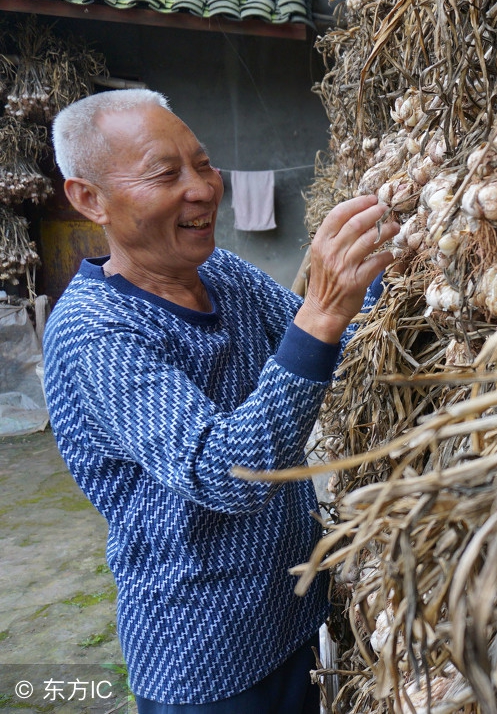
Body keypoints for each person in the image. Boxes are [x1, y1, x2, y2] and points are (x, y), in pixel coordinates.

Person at [42, 89, 396, 712]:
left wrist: (388, 268)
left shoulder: (220, 273)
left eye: (202, 165)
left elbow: (319, 351)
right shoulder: (93, 332)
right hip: (204, 655)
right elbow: (226, 470)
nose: (202, 189)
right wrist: (321, 314)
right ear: (88, 198)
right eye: (165, 173)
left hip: (290, 614)